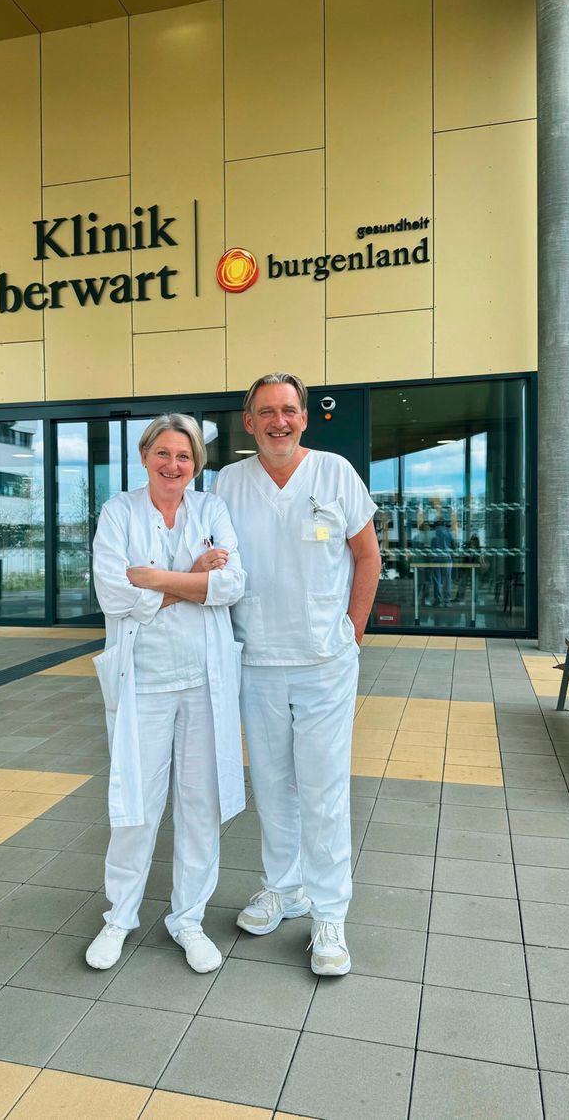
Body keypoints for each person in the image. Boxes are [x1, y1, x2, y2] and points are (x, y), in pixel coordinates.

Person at [213, 373, 381, 976]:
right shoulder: (229, 483)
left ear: (304, 418)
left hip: (323, 662)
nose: (278, 421)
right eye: (266, 412)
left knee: (324, 787)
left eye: (288, 410)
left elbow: (367, 556)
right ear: (249, 422)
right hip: (257, 659)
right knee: (273, 783)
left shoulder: (335, 473)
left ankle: (330, 912)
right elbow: (214, 560)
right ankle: (284, 888)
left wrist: (352, 633)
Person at [86, 414, 246, 975]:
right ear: (144, 455)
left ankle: (189, 920)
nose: (173, 464)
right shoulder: (119, 512)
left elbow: (232, 584)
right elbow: (114, 594)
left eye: (184, 456)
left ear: (196, 463)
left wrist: (157, 578)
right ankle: (119, 917)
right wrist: (193, 578)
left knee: (201, 805)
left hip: (204, 680)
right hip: (144, 681)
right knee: (136, 804)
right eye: (164, 453)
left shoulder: (211, 510)